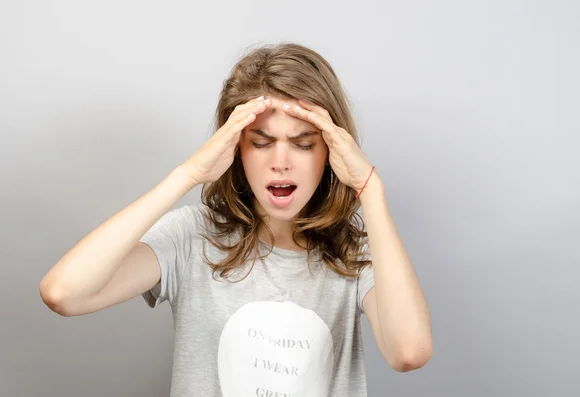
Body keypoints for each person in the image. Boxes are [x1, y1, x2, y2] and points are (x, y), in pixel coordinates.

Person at [39, 42, 433, 397]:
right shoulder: (192, 235)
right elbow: (64, 293)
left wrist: (371, 190)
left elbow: (409, 352)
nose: (281, 162)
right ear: (235, 149)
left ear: (331, 151)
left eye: (303, 143)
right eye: (261, 143)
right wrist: (187, 175)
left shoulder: (356, 250)